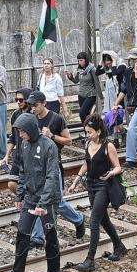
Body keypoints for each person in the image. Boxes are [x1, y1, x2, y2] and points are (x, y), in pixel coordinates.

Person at [0, 112, 66, 272]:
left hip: (47, 199)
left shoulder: (49, 146)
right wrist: (19, 194)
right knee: (22, 234)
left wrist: (44, 203)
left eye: (22, 131)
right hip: (30, 197)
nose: (20, 135)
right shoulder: (25, 145)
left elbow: (52, 177)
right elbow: (23, 172)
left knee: (50, 236)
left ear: (31, 130)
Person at [68, 112, 127, 272]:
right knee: (103, 219)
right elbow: (86, 164)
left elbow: (118, 167)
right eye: (86, 132)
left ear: (98, 131)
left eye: (89, 132)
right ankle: (119, 246)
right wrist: (75, 181)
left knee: (94, 220)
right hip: (91, 185)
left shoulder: (108, 146)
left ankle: (90, 260)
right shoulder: (88, 145)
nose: (87, 135)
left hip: (104, 186)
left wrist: (111, 173)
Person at [28, 91, 86, 245]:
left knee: (57, 202)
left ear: (43, 103)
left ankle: (78, 219)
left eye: (35, 105)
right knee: (42, 200)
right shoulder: (32, 119)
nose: (33, 108)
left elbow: (69, 141)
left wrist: (52, 136)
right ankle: (38, 237)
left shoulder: (57, 119)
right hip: (38, 166)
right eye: (31, 105)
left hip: (53, 165)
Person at [67, 51, 101, 135]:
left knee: (81, 113)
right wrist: (70, 78)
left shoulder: (92, 69)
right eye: (78, 60)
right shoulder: (79, 70)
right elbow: (76, 81)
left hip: (90, 94)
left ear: (86, 60)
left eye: (81, 60)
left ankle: (88, 131)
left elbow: (97, 82)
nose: (80, 62)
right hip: (81, 95)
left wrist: (100, 95)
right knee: (86, 115)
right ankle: (89, 132)